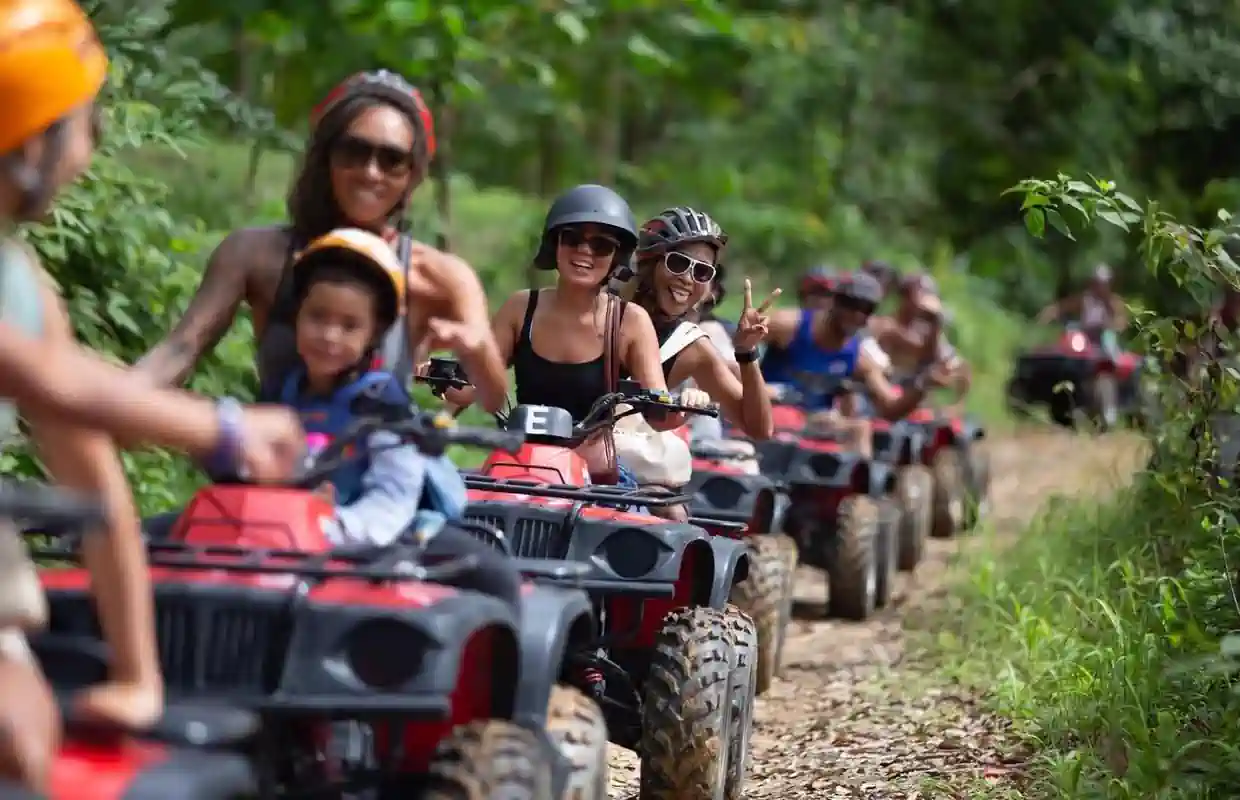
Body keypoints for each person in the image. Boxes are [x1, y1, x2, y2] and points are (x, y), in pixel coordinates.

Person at [0, 0, 305, 791]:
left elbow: (88, 466)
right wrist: (221, 429)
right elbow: (45, 378)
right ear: (35, 138)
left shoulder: (25, 286)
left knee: (20, 738)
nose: (92, 144)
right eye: (84, 121)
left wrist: (139, 675)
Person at [135, 70, 507, 413]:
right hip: (273, 464)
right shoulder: (255, 255)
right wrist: (119, 400)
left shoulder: (441, 277)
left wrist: (473, 351)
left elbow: (487, 397)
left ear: (413, 175)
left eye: (392, 159)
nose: (370, 172)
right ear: (325, 156)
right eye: (354, 152)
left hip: (376, 470)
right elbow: (182, 347)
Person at [444, 185, 700, 482]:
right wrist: (439, 381)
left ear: (617, 257)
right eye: (573, 239)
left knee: (666, 516)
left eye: (601, 245)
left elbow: (659, 414)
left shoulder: (630, 321)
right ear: (555, 244)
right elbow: (467, 388)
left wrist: (687, 404)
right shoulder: (520, 308)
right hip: (516, 461)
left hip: (593, 473)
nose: (584, 251)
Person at [625, 207, 776, 441]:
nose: (687, 279)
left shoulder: (688, 346)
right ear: (649, 263)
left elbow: (760, 429)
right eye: (677, 263)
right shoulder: (603, 309)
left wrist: (747, 353)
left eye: (702, 272)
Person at [763, 273, 944, 455]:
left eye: (867, 309)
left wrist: (922, 386)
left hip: (813, 423)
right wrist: (758, 389)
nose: (857, 315)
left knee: (860, 428)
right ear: (834, 302)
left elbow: (891, 409)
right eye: (851, 304)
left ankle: (855, 481)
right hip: (770, 413)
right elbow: (737, 346)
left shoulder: (858, 358)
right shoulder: (788, 326)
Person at [869, 272, 971, 412]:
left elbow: (955, 365)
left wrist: (957, 406)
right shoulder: (885, 325)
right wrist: (935, 324)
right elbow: (918, 348)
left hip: (912, 397)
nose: (924, 298)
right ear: (905, 296)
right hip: (885, 394)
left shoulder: (924, 332)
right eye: (921, 293)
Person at [1036, 263, 1127, 361]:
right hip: (1086, 334)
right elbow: (1064, 306)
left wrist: (1111, 325)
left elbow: (1121, 322)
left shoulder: (1113, 302)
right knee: (1070, 329)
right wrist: (1050, 312)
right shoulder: (1085, 299)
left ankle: (1113, 362)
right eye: (1097, 283)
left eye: (1102, 284)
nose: (1099, 287)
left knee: (1108, 338)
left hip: (1103, 336)